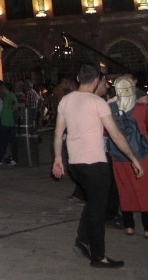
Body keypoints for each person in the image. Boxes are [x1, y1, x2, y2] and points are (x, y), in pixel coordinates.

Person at [53, 63, 144, 269]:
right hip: (94, 163)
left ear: (78, 77)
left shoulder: (66, 100)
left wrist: (58, 158)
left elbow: (59, 132)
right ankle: (98, 256)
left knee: (93, 204)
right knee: (98, 210)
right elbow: (116, 134)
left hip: (75, 163)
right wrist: (133, 158)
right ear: (96, 81)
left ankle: (82, 240)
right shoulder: (97, 102)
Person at [108, 76, 148, 237]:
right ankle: (147, 228)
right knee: (144, 190)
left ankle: (129, 226)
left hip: (118, 155)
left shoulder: (110, 108)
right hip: (141, 155)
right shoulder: (141, 108)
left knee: (124, 189)